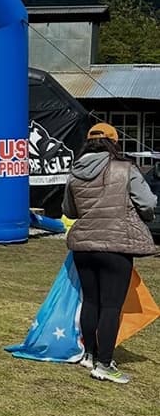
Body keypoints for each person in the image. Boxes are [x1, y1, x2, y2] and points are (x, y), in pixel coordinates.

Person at [62, 121, 156, 385]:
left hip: (83, 244)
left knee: (91, 301)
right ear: (114, 142)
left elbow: (69, 211)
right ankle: (105, 364)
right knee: (111, 306)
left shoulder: (74, 173)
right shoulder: (125, 169)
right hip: (116, 244)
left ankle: (90, 355)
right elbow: (148, 202)